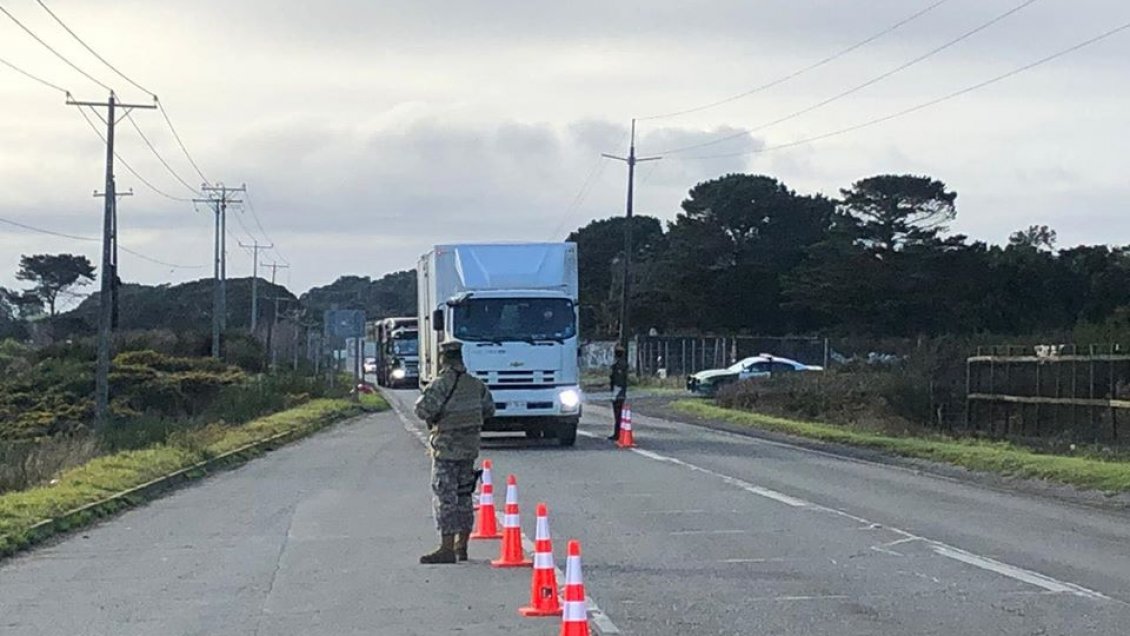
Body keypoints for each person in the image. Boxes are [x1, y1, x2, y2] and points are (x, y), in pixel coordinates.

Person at [414, 341, 495, 564]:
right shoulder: (476, 385)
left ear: (443, 359)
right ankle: (463, 546)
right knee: (464, 495)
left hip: (446, 450)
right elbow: (490, 409)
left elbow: (422, 410)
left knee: (445, 497)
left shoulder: (440, 384)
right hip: (469, 449)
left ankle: (446, 548)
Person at [608, 345, 628, 441]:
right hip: (618, 391)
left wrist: (616, 394)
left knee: (618, 414)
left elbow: (619, 381)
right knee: (618, 414)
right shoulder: (621, 364)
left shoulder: (619, 365)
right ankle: (617, 433)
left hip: (618, 392)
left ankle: (617, 434)